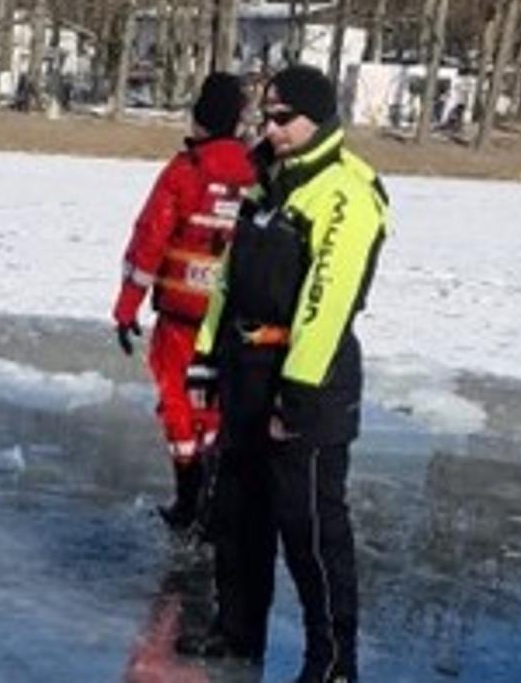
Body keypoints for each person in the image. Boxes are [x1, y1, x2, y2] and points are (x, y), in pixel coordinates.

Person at [176, 65, 389, 683]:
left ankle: (332, 661)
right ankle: (238, 630)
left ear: (317, 120)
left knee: (310, 528)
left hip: (308, 383)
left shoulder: (346, 194)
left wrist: (295, 394)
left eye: (282, 119)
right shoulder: (265, 182)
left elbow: (328, 300)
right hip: (245, 368)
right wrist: (208, 355)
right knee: (238, 513)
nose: (271, 129)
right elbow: (227, 278)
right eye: (264, 118)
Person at [113, 72, 256, 531]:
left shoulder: (186, 170)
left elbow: (150, 239)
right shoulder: (258, 172)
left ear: (200, 117)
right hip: (233, 317)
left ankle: (189, 491)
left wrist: (126, 306)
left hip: (181, 314)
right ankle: (215, 490)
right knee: (214, 402)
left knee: (177, 400)